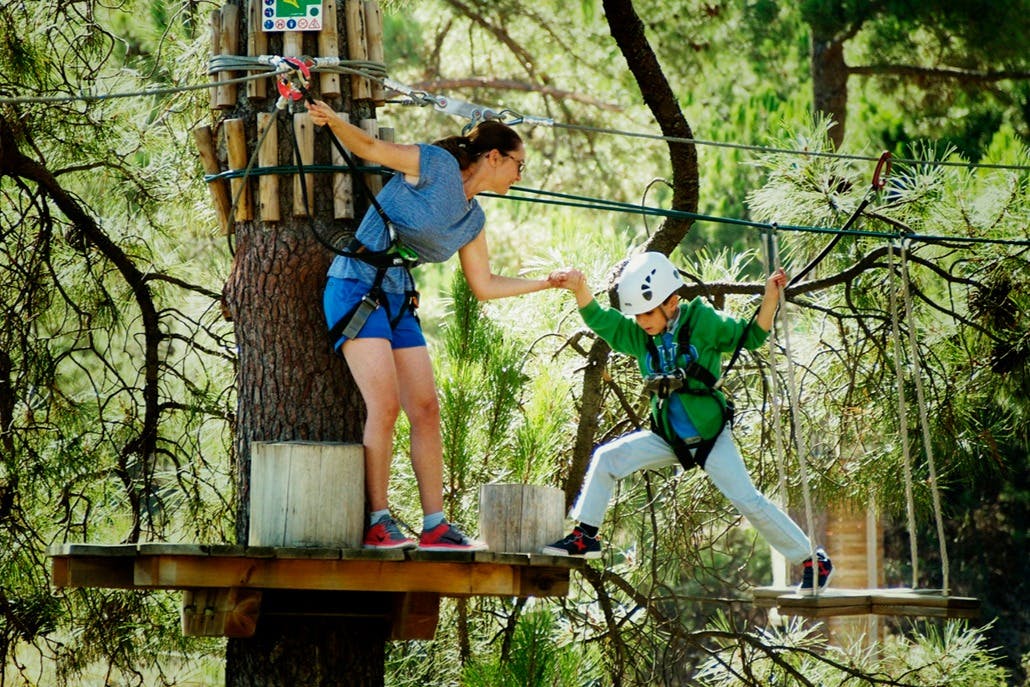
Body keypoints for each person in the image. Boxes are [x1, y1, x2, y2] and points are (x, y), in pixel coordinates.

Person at [307, 99, 561, 552]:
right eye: (519, 165)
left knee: (425, 409)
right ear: (494, 157)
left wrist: (545, 283)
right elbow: (368, 146)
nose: (521, 176)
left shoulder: (473, 218)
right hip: (355, 286)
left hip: (397, 296)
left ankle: (436, 525)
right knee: (384, 407)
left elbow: (483, 284)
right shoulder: (436, 165)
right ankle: (378, 520)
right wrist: (331, 121)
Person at [544, 252, 833, 591]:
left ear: (672, 301)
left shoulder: (704, 322)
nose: (642, 321)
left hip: (710, 436)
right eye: (636, 315)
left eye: (648, 312)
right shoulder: (640, 335)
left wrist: (770, 299)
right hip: (669, 438)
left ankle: (813, 560)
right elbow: (603, 321)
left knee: (747, 500)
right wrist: (580, 289)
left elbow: (751, 336)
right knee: (607, 459)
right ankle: (584, 536)